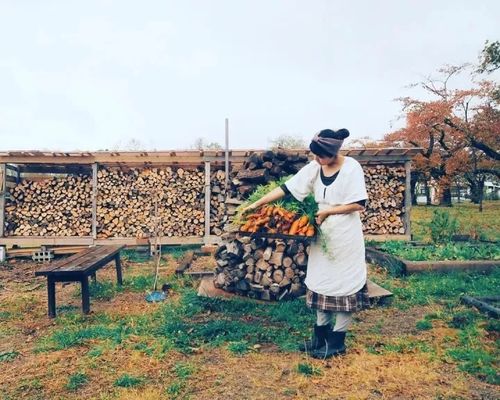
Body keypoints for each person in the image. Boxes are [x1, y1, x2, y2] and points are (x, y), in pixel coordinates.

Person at [242, 128, 369, 359]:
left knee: (344, 285)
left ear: (332, 153)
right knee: (323, 282)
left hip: (345, 236)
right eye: (315, 156)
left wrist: (329, 211)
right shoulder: (315, 167)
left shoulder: (352, 167)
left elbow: (359, 204)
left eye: (320, 156)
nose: (316, 160)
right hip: (322, 236)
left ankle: (337, 341)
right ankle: (319, 337)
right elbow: (286, 188)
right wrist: (256, 205)